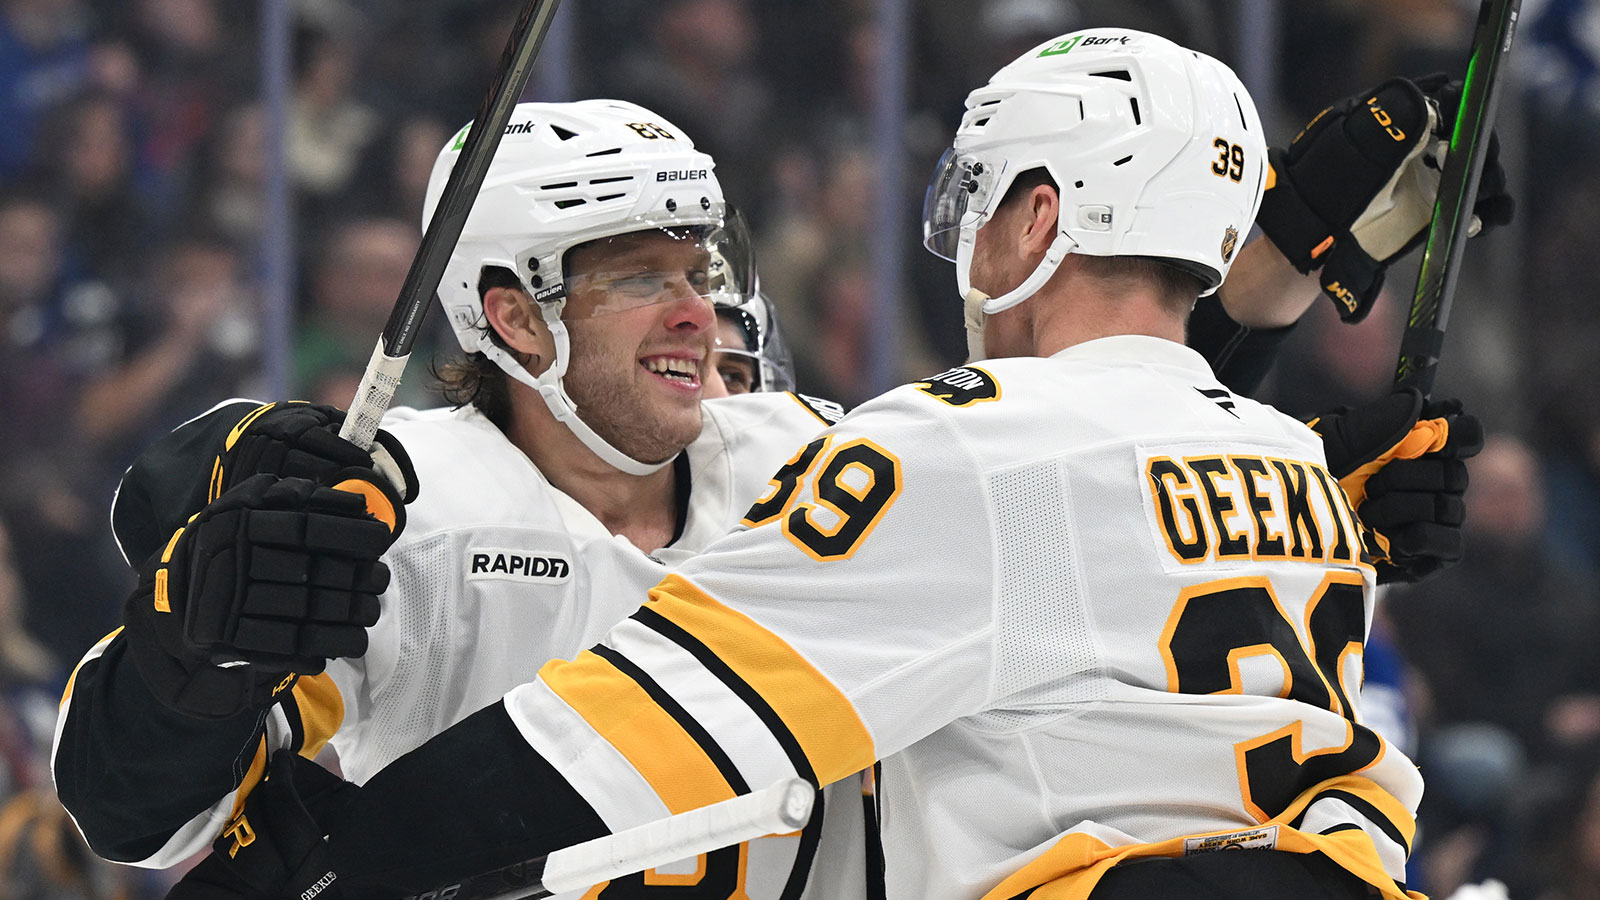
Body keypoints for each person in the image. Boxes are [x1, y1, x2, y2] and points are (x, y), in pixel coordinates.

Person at [164, 30, 1487, 900]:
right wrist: (1281, 272)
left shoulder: (959, 449)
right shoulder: (1298, 470)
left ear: (1042, 216)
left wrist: (346, 864)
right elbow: (1100, 499)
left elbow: (608, 745)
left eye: (983, 197)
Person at [51, 99, 861, 899]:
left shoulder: (811, 463)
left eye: (696, 273)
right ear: (516, 317)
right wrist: (194, 656)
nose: (697, 316)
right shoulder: (397, 517)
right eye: (642, 278)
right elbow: (141, 823)